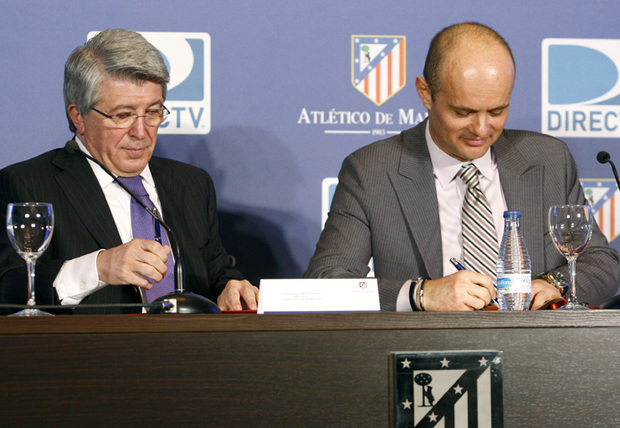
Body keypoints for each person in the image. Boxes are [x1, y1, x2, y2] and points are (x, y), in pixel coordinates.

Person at [304, 22, 620, 311]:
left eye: (497, 111)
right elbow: (326, 282)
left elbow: (601, 263)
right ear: (425, 93)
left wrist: (554, 285)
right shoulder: (372, 170)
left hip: (539, 355)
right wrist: (422, 294)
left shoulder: (548, 158)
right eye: (463, 112)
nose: (482, 129)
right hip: (425, 359)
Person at [0, 29, 258, 313]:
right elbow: (8, 289)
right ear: (79, 117)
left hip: (190, 354)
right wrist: (97, 268)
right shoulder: (27, 183)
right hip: (90, 354)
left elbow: (216, 274)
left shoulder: (191, 184)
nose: (140, 132)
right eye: (123, 115)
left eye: (153, 112)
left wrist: (231, 289)